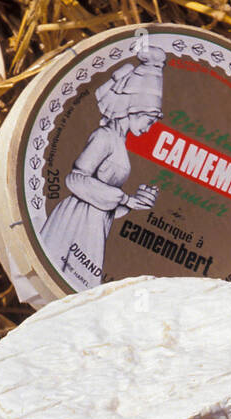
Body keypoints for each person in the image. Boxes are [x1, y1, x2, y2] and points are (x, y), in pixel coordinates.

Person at [39, 45, 166, 285]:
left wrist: (132, 202)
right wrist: (124, 199)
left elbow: (105, 195)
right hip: (75, 223)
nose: (150, 128)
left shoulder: (119, 140)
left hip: (94, 224)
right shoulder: (105, 136)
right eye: (149, 120)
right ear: (133, 109)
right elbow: (75, 179)